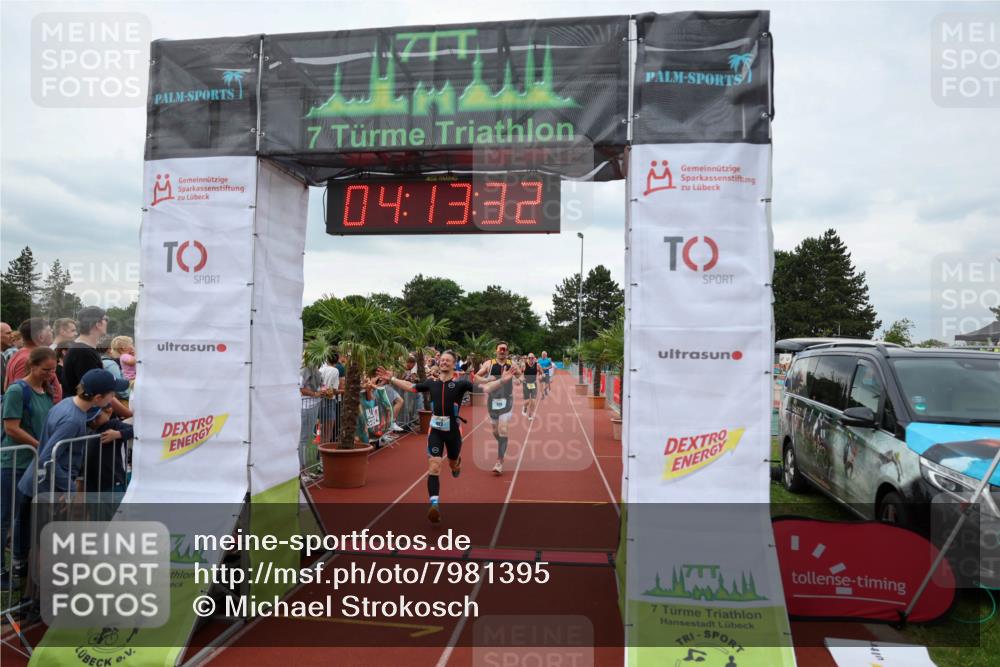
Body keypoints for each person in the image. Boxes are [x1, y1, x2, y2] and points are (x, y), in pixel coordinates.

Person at [11, 368, 128, 579]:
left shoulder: (66, 403)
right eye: (112, 394)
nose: (114, 399)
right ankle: (41, 595)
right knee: (46, 544)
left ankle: (32, 585)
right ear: (98, 397)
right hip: (47, 487)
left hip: (38, 482)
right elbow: (49, 457)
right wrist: (70, 487)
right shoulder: (73, 420)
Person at [378, 351, 510, 523]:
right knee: (434, 465)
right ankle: (434, 505)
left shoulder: (461, 384)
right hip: (435, 431)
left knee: (452, 463)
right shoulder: (431, 383)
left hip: (453, 432)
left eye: (448, 361)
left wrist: (502, 380)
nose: (444, 362)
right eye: (442, 360)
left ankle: (456, 464)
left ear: (454, 364)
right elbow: (411, 387)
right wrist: (392, 379)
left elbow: (485, 389)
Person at [1, 348, 57, 584]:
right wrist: (39, 446)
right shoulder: (17, 390)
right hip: (15, 463)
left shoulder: (47, 391)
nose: (51, 374)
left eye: (53, 369)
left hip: (35, 463)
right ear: (32, 366)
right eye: (46, 370)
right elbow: (11, 428)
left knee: (24, 515)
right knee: (5, 516)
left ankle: (19, 562)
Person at [62, 307, 131, 419]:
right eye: (106, 319)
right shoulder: (84, 353)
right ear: (98, 324)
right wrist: (129, 414)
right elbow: (99, 391)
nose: (107, 322)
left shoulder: (82, 349)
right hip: (87, 417)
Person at [476, 341, 521, 475]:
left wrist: (519, 380)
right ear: (496, 351)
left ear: (507, 352)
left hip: (507, 400)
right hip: (492, 401)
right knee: (495, 431)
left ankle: (499, 462)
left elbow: (520, 375)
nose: (502, 351)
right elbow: (477, 377)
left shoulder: (512, 365)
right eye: (500, 349)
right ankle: (503, 442)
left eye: (504, 349)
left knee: (502, 429)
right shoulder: (489, 364)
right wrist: (486, 380)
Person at [3, 318, 62, 402]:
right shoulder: (28, 359)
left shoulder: (19, 354)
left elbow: (6, 386)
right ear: (41, 337)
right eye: (49, 331)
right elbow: (20, 395)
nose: (52, 333)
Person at [299, 359, 324, 468]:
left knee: (306, 437)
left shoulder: (315, 369)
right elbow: (300, 387)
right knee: (304, 438)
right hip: (307, 406)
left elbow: (321, 385)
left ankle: (303, 469)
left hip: (313, 404)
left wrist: (323, 391)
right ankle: (302, 468)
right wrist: (315, 393)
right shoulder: (305, 369)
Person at [318, 353, 342, 442]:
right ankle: (321, 455)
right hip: (328, 401)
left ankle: (319, 454)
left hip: (319, 400)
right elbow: (334, 390)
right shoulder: (335, 370)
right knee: (327, 432)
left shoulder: (321, 369)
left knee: (321, 431)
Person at [520, 353, 541, 420]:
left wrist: (541, 376)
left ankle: (530, 415)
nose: (531, 359)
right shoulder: (524, 365)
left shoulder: (537, 365)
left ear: (534, 358)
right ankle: (525, 407)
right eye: (529, 358)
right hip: (526, 384)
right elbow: (519, 374)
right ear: (528, 358)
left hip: (534, 384)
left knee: (533, 401)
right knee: (527, 401)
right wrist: (521, 378)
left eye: (532, 358)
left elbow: (541, 372)